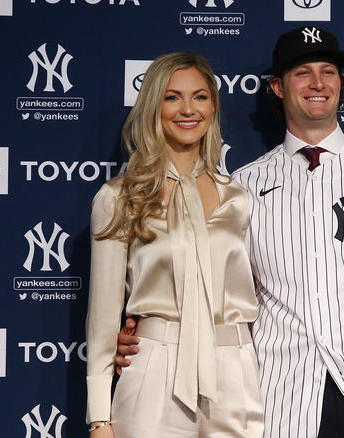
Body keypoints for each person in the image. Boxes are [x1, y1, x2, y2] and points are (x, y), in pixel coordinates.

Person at [117, 27, 344, 438]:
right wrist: (147, 332)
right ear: (277, 86)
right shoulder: (242, 187)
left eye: (328, 71)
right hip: (284, 399)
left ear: (341, 83)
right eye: (302, 73)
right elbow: (211, 287)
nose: (317, 84)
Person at [85, 52, 264, 438]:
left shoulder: (240, 198)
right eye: (172, 97)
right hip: (153, 370)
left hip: (235, 373)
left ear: (213, 106)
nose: (187, 109)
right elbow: (102, 319)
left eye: (199, 96)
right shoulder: (119, 197)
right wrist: (99, 416)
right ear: (153, 105)